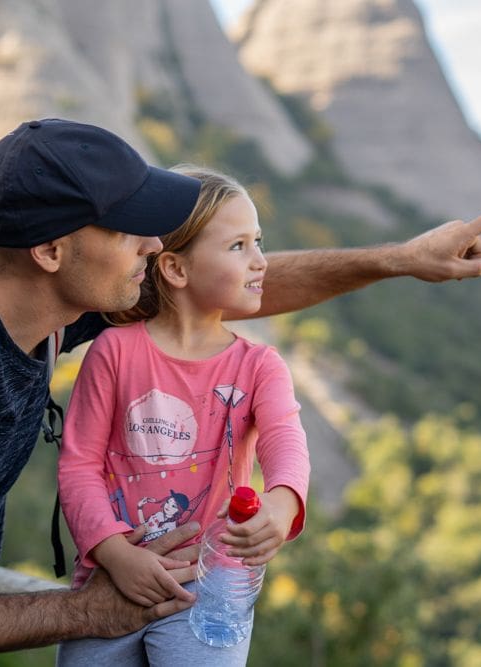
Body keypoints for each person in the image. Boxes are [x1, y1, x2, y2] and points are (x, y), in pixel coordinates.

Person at [0, 118, 481, 666]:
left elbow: (222, 290)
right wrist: (88, 610)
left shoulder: (45, 305)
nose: (153, 245)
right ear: (51, 250)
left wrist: (398, 259)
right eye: (132, 228)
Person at [56, 165, 310, 666]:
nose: (260, 261)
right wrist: (114, 553)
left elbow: (284, 438)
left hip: (209, 589)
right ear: (175, 268)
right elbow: (78, 464)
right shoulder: (114, 352)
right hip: (111, 580)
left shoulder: (259, 366)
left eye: (258, 242)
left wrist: (282, 504)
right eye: (238, 246)